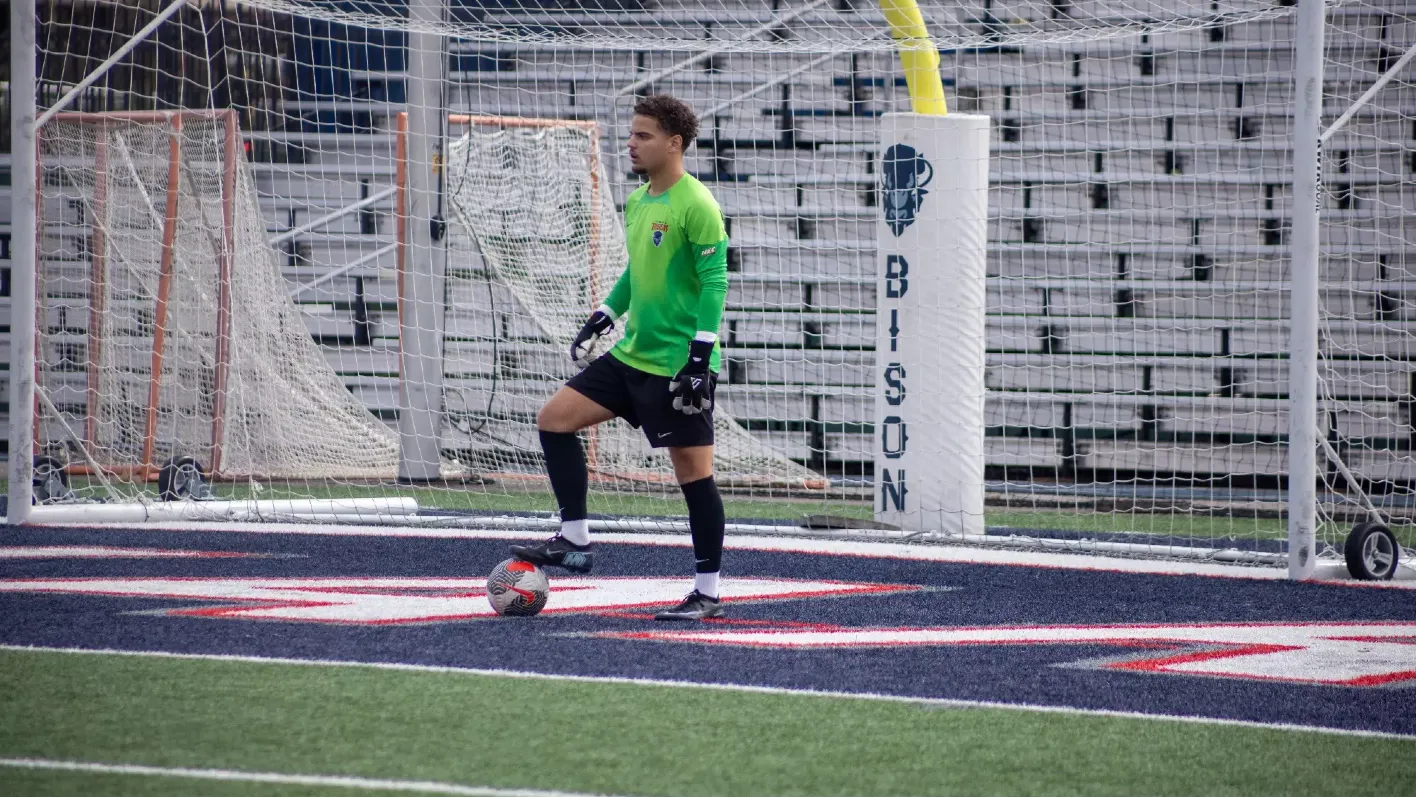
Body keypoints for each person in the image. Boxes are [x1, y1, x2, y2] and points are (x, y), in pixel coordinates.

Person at [510, 94, 730, 621]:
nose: (630, 144)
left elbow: (714, 281)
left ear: (673, 143)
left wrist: (700, 357)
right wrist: (606, 314)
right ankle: (576, 540)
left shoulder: (697, 204)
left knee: (694, 477)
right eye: (631, 135)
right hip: (631, 355)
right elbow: (637, 271)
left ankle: (708, 593)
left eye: (643, 136)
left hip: (678, 365)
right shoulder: (637, 202)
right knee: (555, 420)